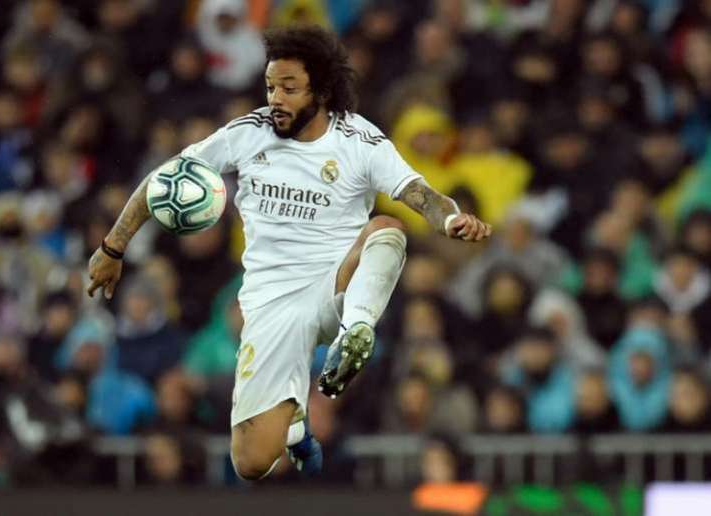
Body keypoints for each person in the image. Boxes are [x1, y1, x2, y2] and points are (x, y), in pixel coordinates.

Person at [86, 25, 491, 481]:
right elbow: (164, 179)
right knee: (252, 463)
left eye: (289, 88)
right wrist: (112, 247)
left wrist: (450, 219)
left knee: (387, 229)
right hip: (270, 307)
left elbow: (418, 193)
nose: (275, 98)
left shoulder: (359, 140)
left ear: (319, 89)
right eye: (270, 86)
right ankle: (294, 420)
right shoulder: (248, 132)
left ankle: (354, 332)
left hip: (336, 284)